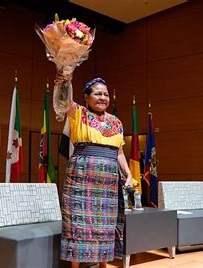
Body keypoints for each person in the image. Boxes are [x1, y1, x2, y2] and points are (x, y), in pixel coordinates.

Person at [54, 76, 133, 268]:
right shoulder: (78, 113)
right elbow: (64, 100)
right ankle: (75, 266)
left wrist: (129, 174)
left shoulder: (116, 122)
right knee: (78, 223)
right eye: (98, 93)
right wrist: (65, 80)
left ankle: (103, 265)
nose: (103, 98)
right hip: (82, 175)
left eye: (106, 94)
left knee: (105, 226)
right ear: (86, 97)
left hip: (109, 180)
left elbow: (119, 152)